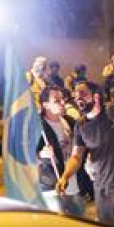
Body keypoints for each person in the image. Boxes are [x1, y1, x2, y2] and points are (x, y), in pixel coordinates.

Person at [56, 81, 114, 227]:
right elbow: (76, 156)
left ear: (96, 96)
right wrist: (65, 176)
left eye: (83, 94)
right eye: (76, 95)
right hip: (101, 187)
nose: (79, 99)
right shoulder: (80, 125)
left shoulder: (112, 112)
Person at [37, 86, 84, 217]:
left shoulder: (69, 121)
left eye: (63, 99)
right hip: (53, 186)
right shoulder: (37, 127)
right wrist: (41, 154)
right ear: (45, 105)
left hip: (74, 183)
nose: (63, 103)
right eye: (57, 100)